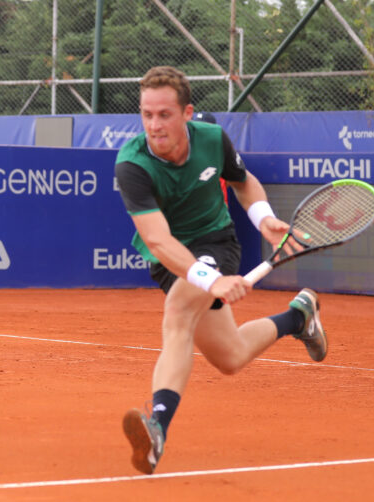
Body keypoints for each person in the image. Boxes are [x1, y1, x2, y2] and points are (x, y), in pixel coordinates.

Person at [115, 66, 328, 475]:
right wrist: (211, 281)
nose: (154, 125)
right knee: (230, 356)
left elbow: (243, 182)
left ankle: (156, 426)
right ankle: (299, 317)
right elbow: (159, 241)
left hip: (215, 241)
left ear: (187, 113)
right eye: (146, 114)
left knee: (178, 315)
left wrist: (263, 219)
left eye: (164, 114)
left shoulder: (212, 140)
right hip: (169, 257)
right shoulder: (133, 165)